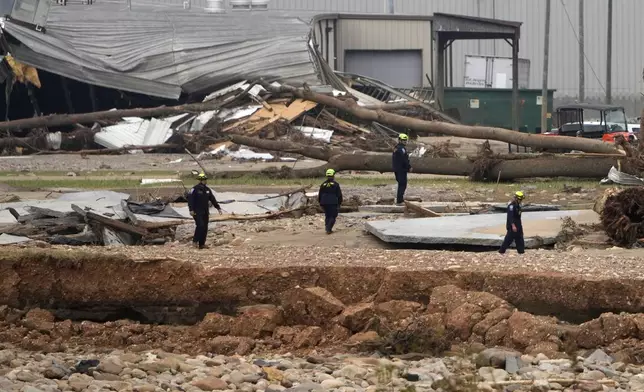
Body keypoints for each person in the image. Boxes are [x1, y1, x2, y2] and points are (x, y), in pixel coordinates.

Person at [188, 172, 222, 249]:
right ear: (200, 180)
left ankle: (202, 244)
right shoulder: (194, 189)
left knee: (205, 227)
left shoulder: (207, 190)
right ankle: (195, 241)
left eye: (205, 180)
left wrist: (218, 208)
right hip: (197, 211)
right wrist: (191, 210)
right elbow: (190, 200)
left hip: (205, 211)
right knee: (200, 225)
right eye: (203, 180)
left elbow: (212, 199)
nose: (205, 181)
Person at [318, 168, 343, 234]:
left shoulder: (323, 184)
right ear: (333, 175)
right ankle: (328, 228)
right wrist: (339, 203)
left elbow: (320, 194)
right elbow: (339, 195)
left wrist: (320, 203)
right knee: (333, 215)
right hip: (332, 202)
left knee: (327, 215)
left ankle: (327, 227)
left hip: (324, 202)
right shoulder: (336, 184)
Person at [392, 133, 412, 205]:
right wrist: (409, 167)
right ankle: (400, 200)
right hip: (401, 169)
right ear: (399, 140)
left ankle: (399, 199)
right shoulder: (401, 149)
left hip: (396, 169)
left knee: (401, 184)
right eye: (403, 140)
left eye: (405, 140)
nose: (405, 142)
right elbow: (404, 160)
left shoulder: (396, 148)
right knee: (403, 184)